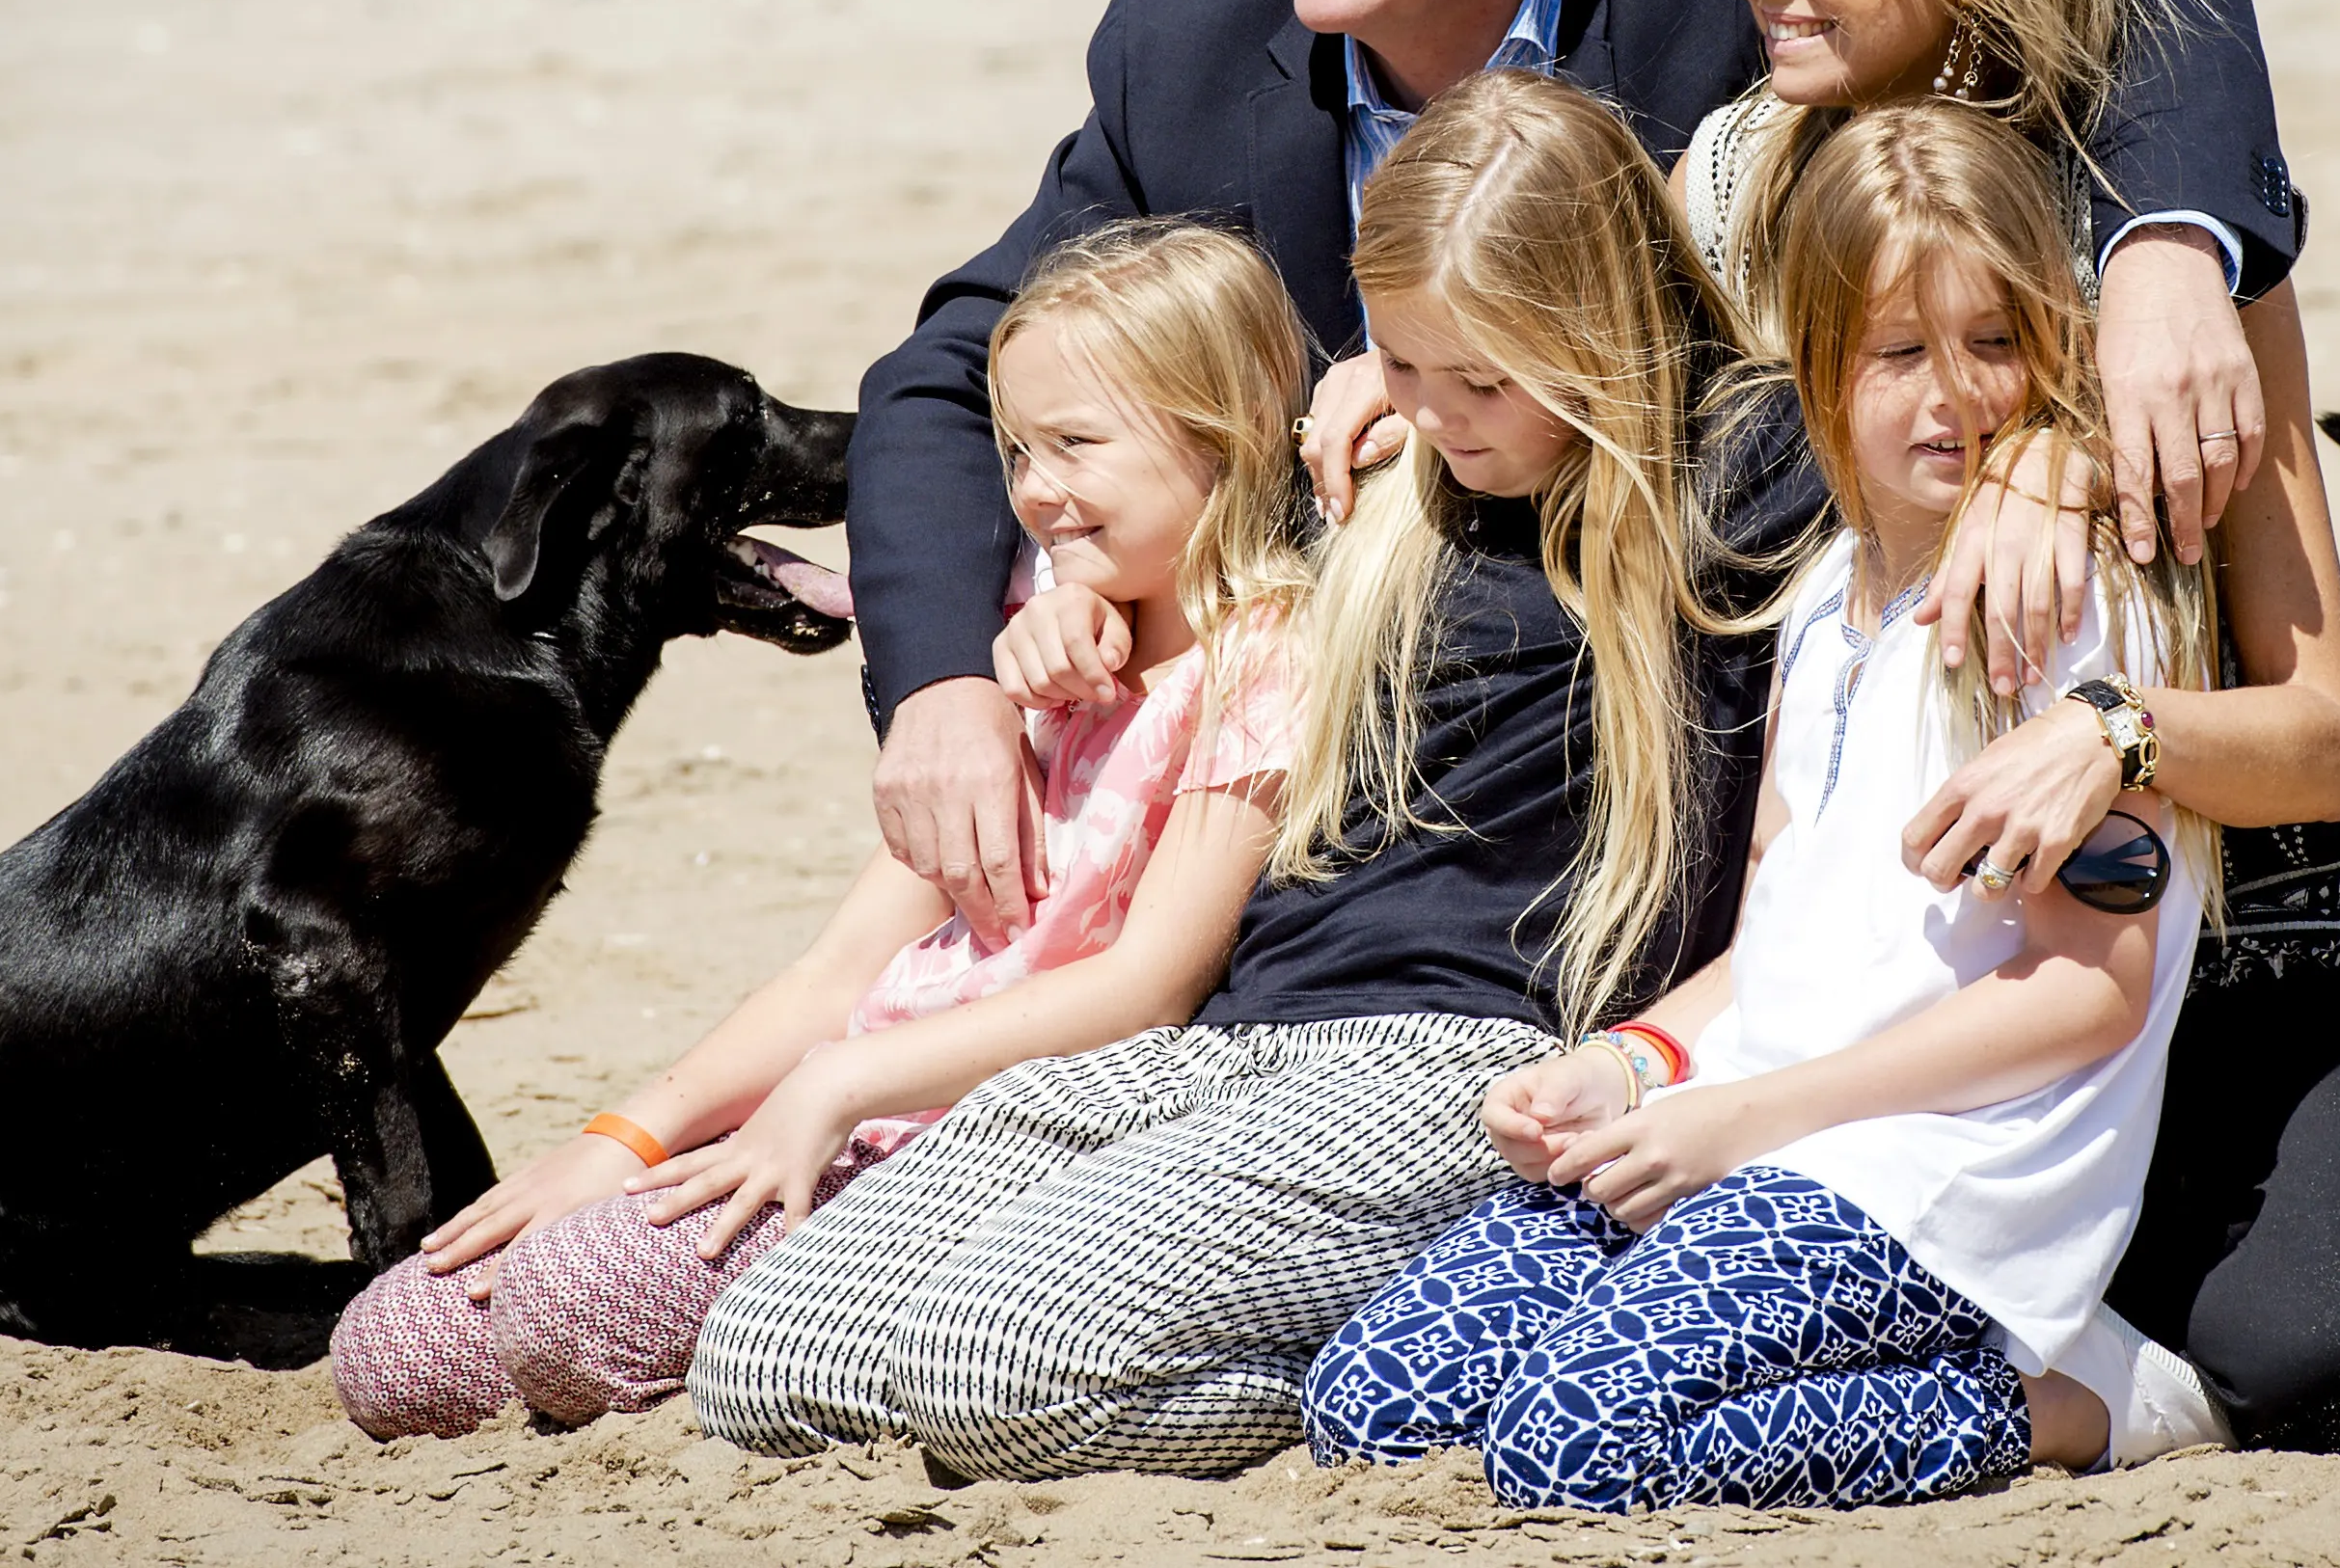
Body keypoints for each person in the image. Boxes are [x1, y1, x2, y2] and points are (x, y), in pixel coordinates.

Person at [845, 0, 2303, 965]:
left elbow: (2130, 5)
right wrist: (943, 683)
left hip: (1697, 760)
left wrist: (2171, 252)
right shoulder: (1184, 48)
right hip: (1318, 750)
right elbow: (954, 366)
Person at [683, 71, 1822, 1480]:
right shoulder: (1392, 474)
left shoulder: (1739, 464)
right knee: (767, 1356)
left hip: (1466, 1043)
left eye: (1482, 378)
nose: (1439, 413)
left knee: (1002, 1369)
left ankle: (1362, 1381)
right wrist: (1068, 604)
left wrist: (2032, 486)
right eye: (1404, 363)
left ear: (1600, 330)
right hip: (1240, 1023)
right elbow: (1197, 537)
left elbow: (1934, 447)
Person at [1676, 0, 2340, 1451]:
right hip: (1994, 949)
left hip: (2294, 908)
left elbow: (2323, 737)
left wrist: (2115, 714)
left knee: (2316, 1355)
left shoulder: (2158, 236)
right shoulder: (1753, 174)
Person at [1306, 99, 2245, 1510]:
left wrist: (1749, 1120)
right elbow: (1776, 942)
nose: (1952, 397)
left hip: (1930, 1169)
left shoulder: (2061, 607)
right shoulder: (1814, 604)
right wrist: (1631, 1062)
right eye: (1898, 354)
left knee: (1572, 1444)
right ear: (1815, 362)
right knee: (1377, 1398)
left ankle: (2070, 1399)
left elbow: (2087, 993)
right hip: (1750, 1119)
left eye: (1994, 342)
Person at [323, 221, 1312, 1439]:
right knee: (395, 1350)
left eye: (1076, 444)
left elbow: (1146, 986)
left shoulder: (1264, 662)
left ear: (1229, 432)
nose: (1034, 491)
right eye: (1016, 449)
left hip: (984, 1131)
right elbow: (843, 967)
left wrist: (837, 1087)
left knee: (569, 1308)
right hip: (847, 1102)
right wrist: (622, 1139)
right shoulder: (1028, 638)